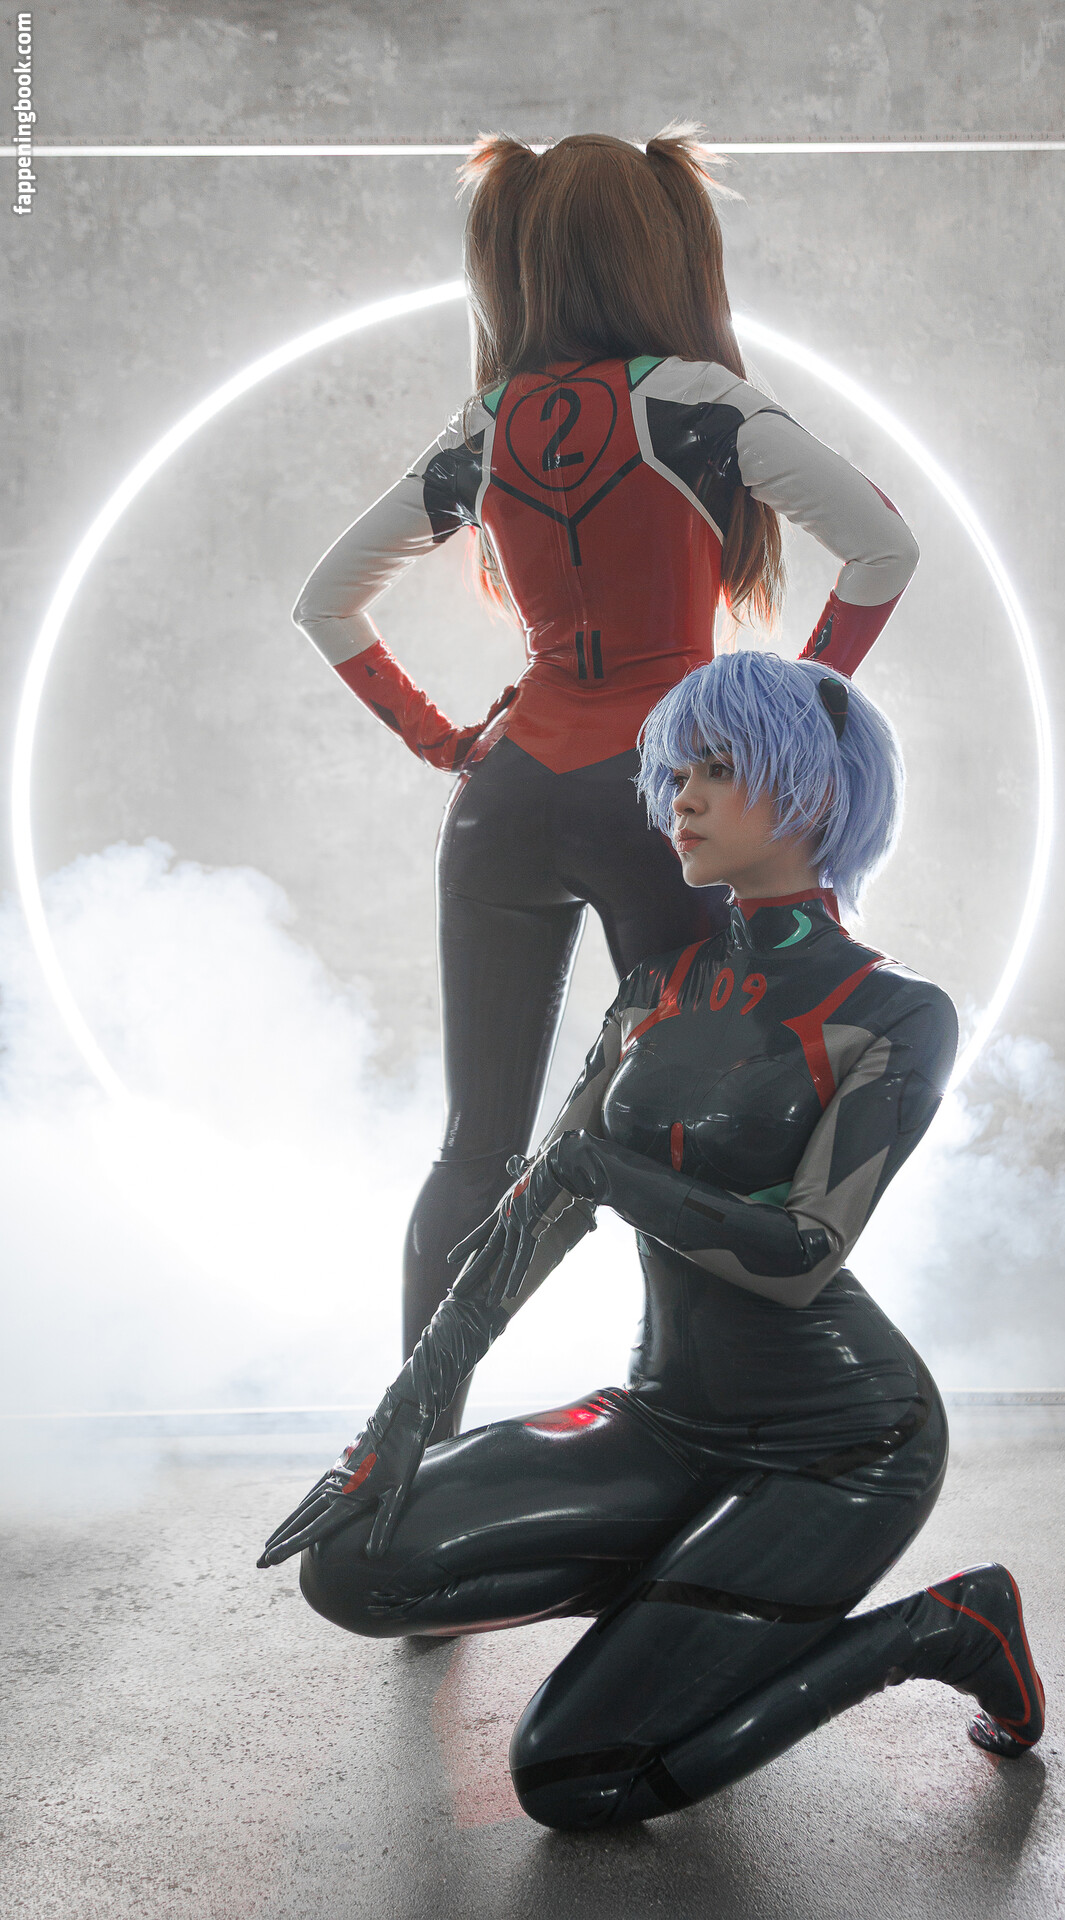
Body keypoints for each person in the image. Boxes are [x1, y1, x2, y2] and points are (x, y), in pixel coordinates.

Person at [257, 651, 1045, 1832]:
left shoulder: (895, 1013)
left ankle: (945, 1627)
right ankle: (693, 1597)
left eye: (716, 770)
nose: (680, 797)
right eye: (675, 772)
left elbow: (801, 1254)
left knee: (577, 1781)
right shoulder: (656, 984)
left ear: (814, 792)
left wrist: (605, 1171)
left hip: (838, 1446)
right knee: (357, 1563)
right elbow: (537, 1208)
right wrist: (396, 1422)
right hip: (664, 1418)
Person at [289, 126, 920, 1386]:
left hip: (505, 800)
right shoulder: (699, 404)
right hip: (659, 804)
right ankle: (682, 1407)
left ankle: (408, 1445)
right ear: (664, 246)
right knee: (683, 1131)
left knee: (475, 1144)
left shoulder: (486, 425)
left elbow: (325, 603)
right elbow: (882, 547)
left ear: (517, 253)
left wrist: (444, 742)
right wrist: (773, 725)